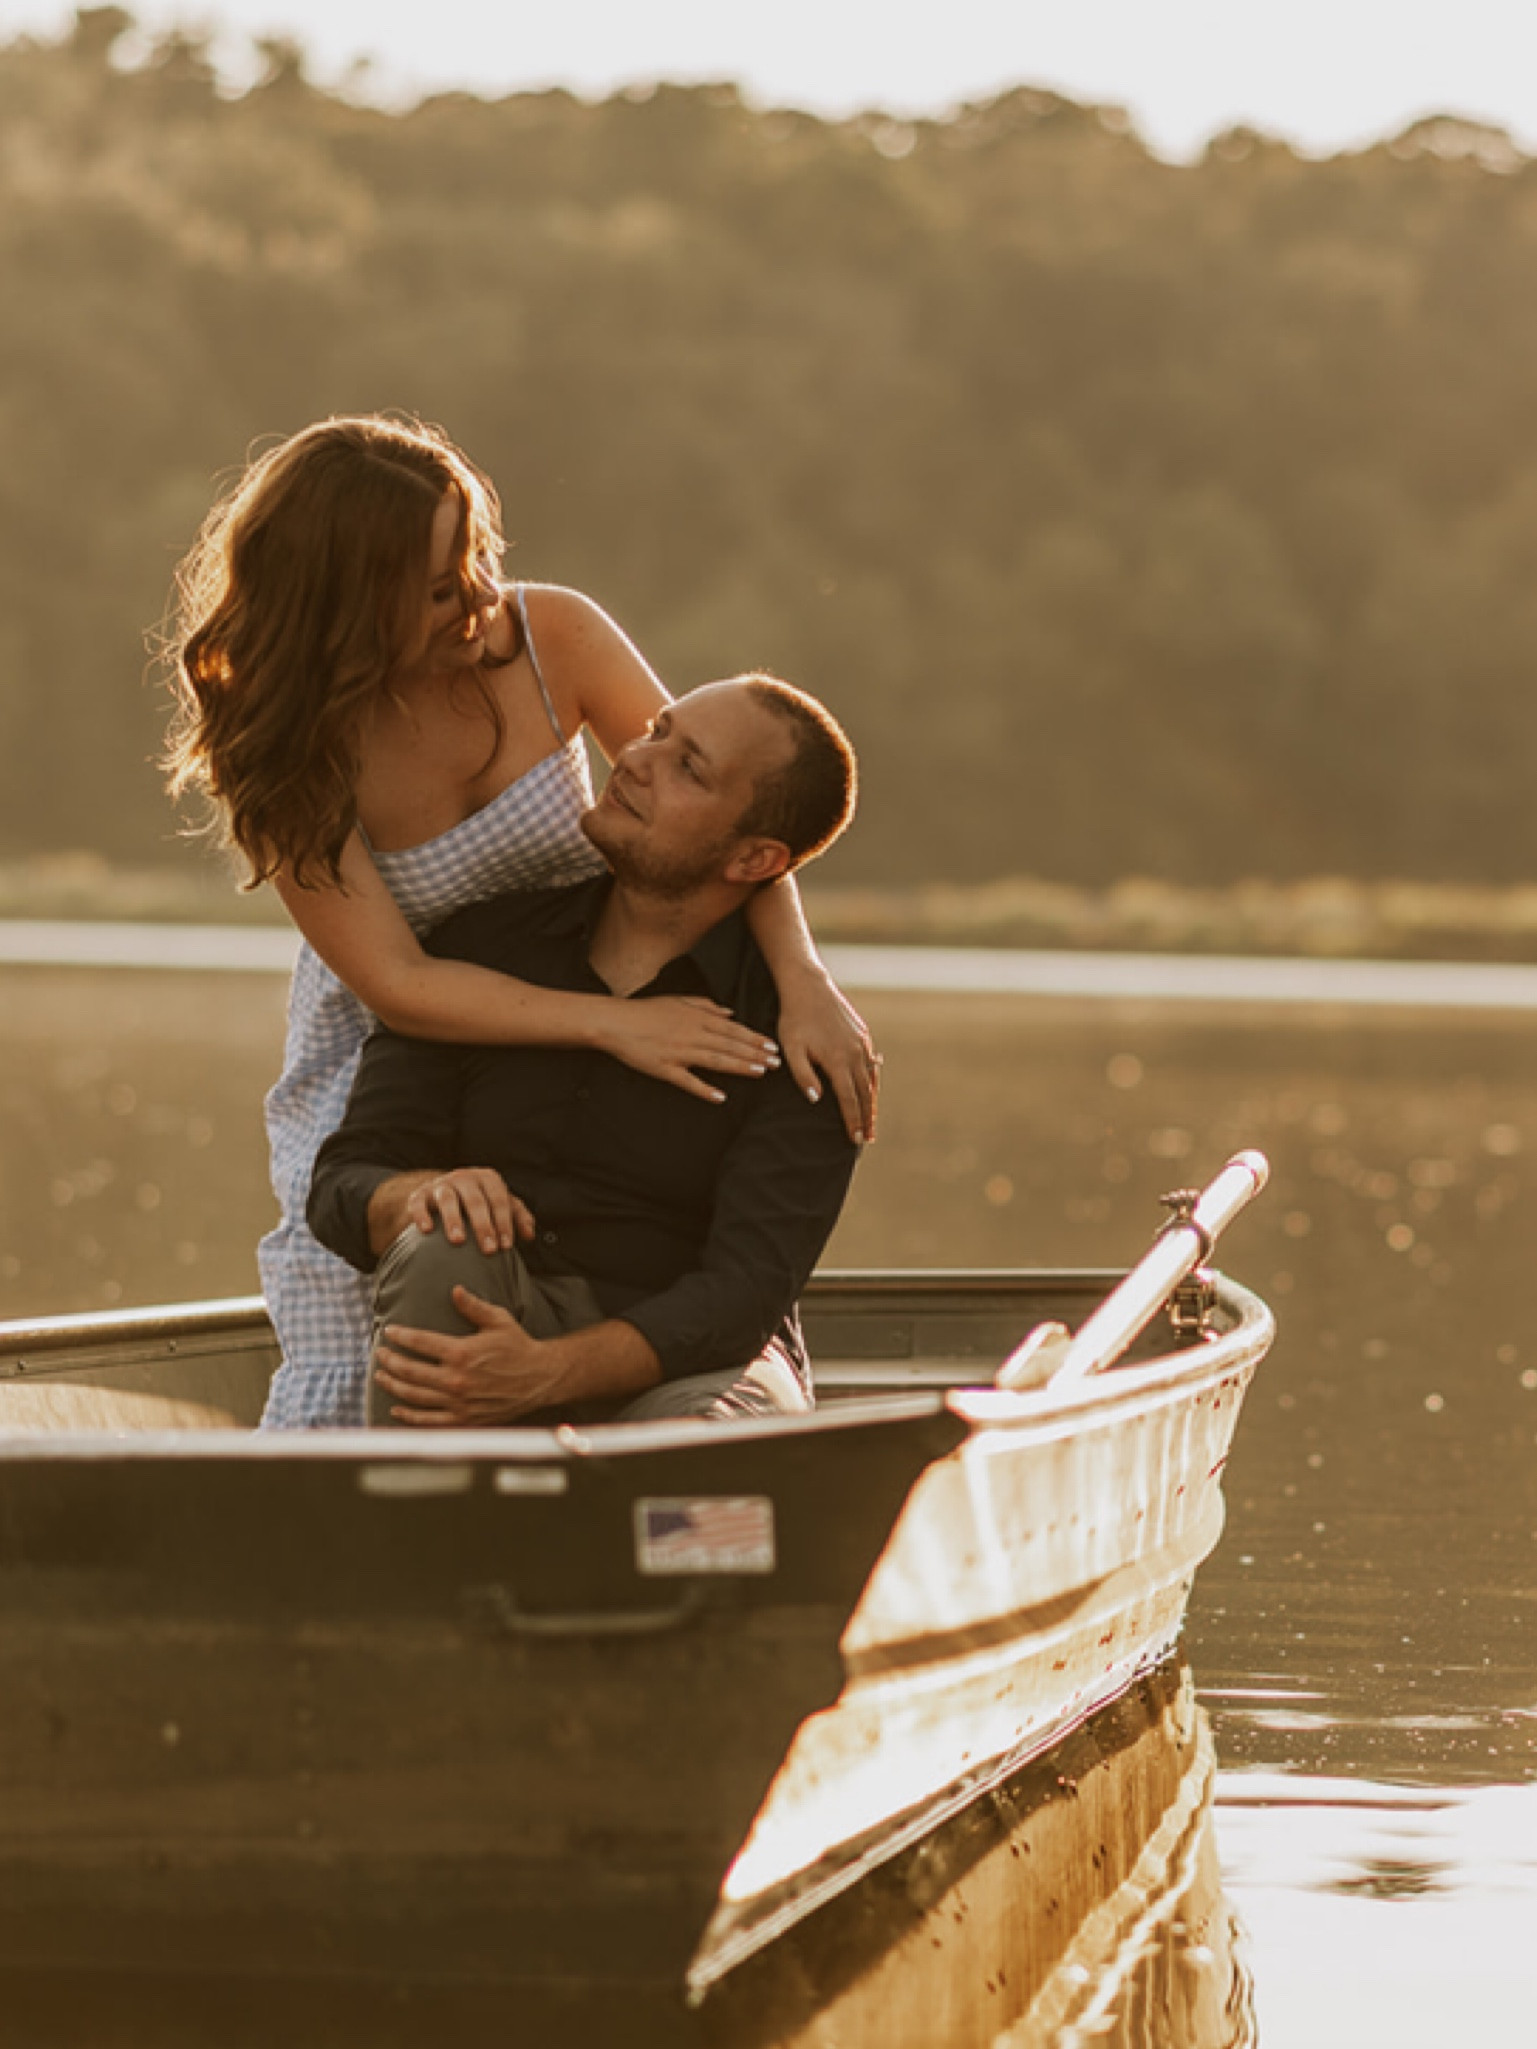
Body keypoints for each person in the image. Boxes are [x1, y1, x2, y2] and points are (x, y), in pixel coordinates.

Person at [161, 414, 877, 1429]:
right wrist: (612, 1024)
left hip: (609, 958)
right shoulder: (283, 743)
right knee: (388, 1267)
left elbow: (737, 815)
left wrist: (803, 983)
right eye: (445, 583)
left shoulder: (553, 639)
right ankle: (408, 1521)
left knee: (665, 1285)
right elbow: (402, 985)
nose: (482, 594)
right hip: (412, 1028)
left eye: (479, 554)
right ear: (352, 606)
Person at [308, 673, 860, 1427]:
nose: (635, 757)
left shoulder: (803, 1038)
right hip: (493, 1312)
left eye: (687, 767)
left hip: (694, 1361)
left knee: (716, 1435)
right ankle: (422, 1532)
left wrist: (546, 1374)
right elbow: (343, 1179)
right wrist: (420, 1192)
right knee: (441, 1242)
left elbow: (741, 1294)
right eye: (658, 730)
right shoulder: (480, 949)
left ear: (754, 860)